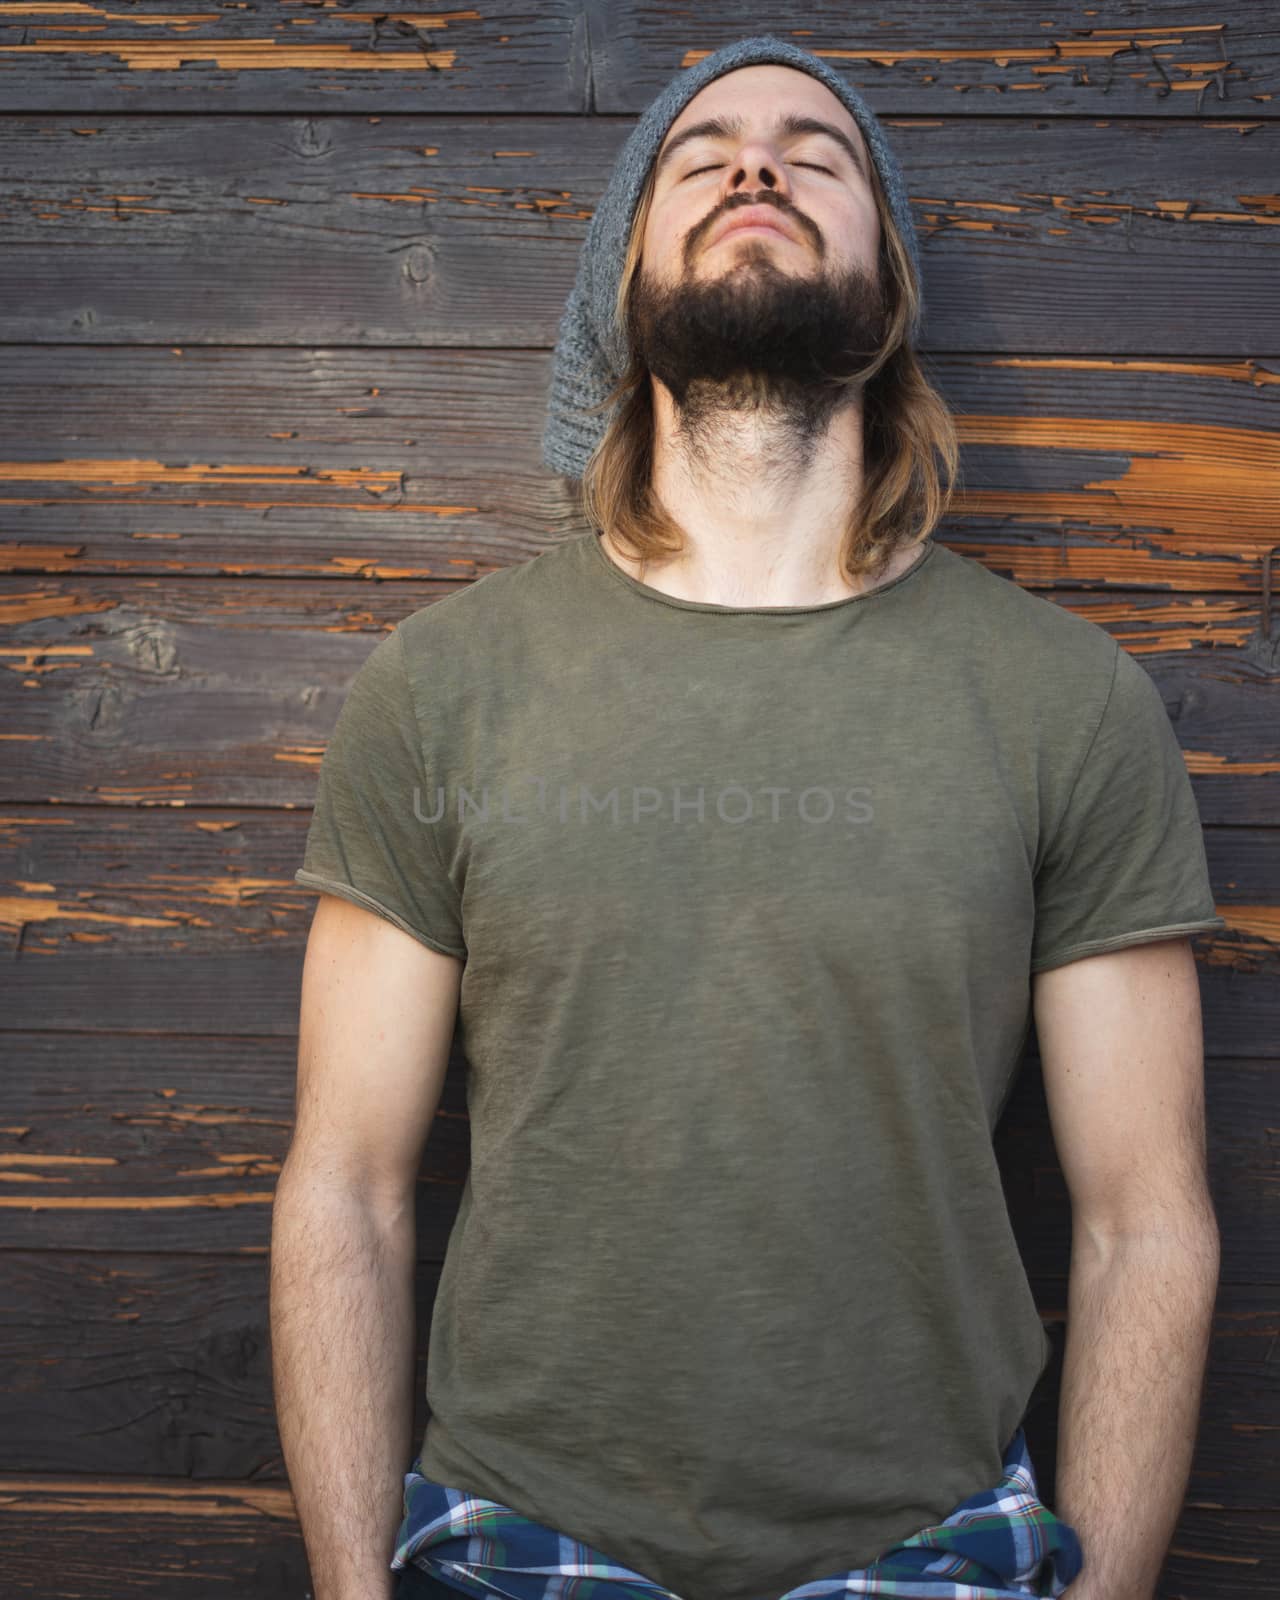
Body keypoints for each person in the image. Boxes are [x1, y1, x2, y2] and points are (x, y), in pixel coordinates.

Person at [271, 34, 1225, 1600]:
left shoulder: (1068, 700)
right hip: (520, 1546)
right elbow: (346, 1190)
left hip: (933, 1553)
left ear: (890, 283)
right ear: (617, 280)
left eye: (817, 151)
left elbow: (1145, 1226)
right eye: (699, 151)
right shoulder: (443, 685)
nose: (758, 165)